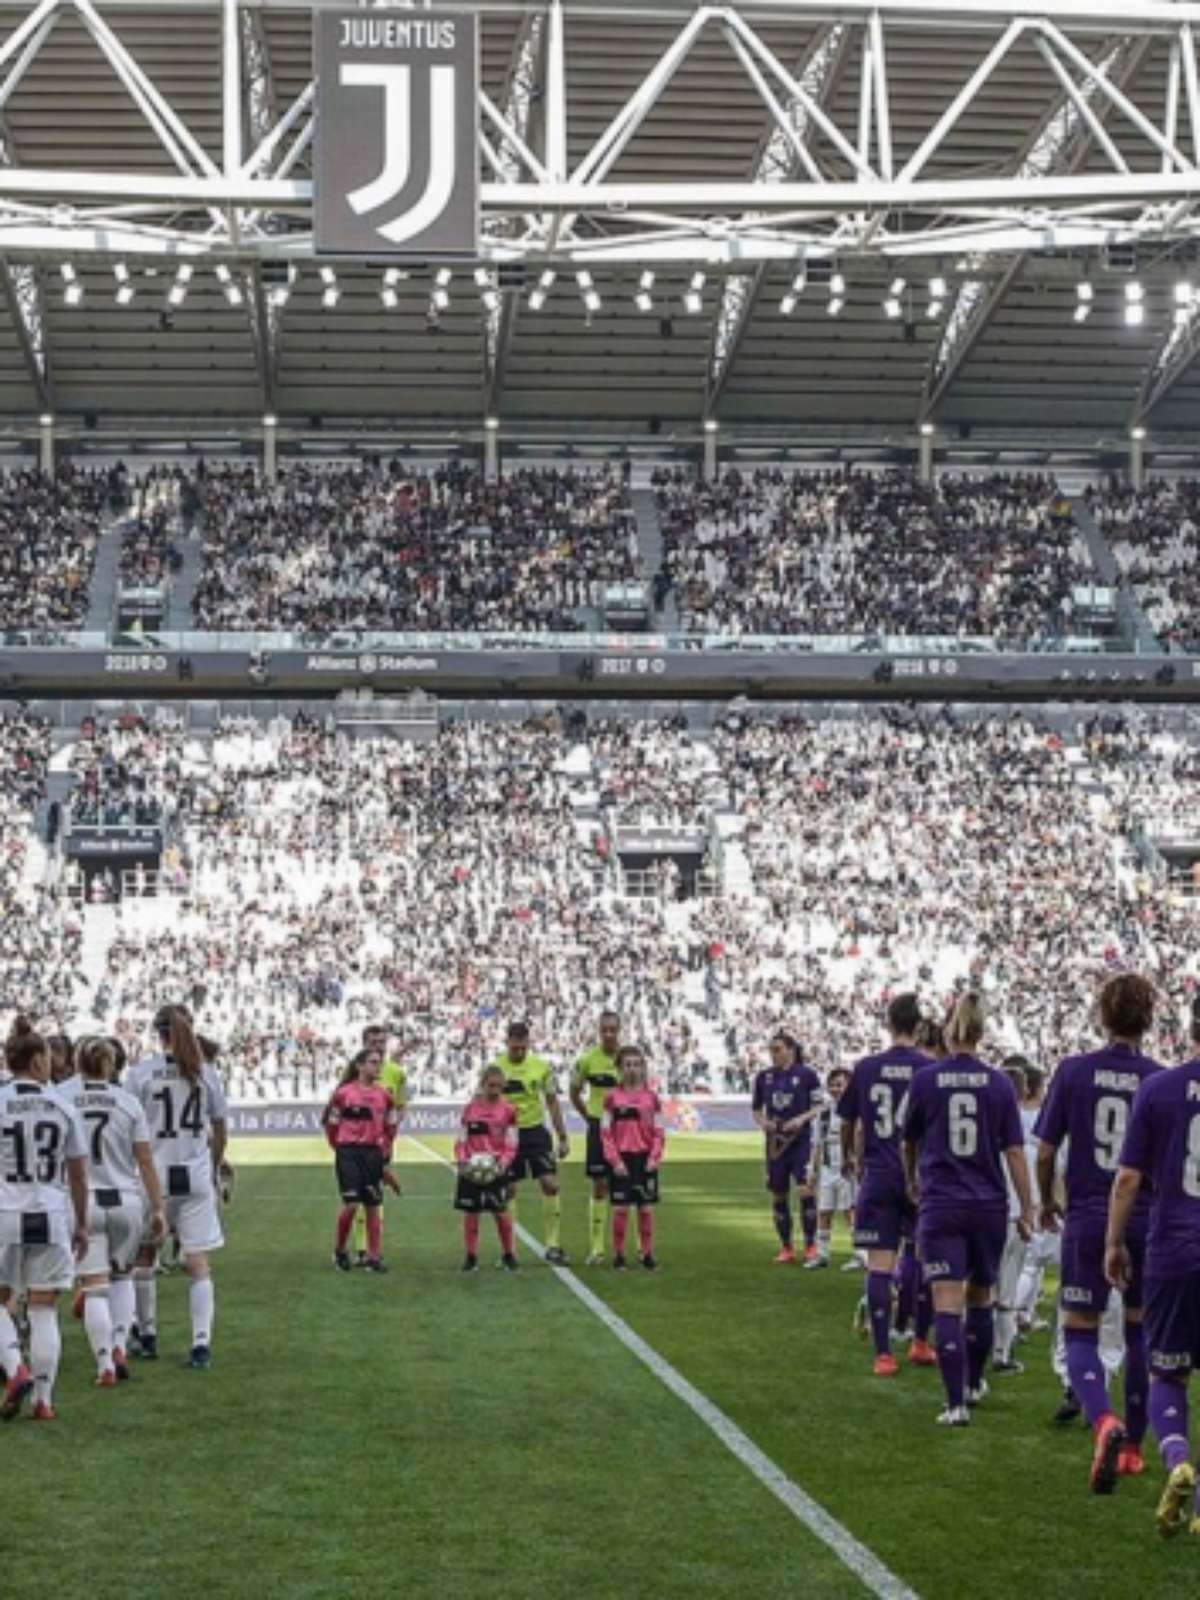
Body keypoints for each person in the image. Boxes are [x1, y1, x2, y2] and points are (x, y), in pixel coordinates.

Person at [1035, 973, 1161, 1491]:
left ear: (1101, 1016)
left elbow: (1045, 1151)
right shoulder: (1160, 1078)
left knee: (1080, 1327)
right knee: (1138, 1333)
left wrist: (1047, 1201)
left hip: (1089, 1212)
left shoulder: (1074, 1071)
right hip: (1147, 1216)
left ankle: (1103, 1419)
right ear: (1149, 1019)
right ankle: (1132, 1449)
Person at [903, 995, 1034, 1427]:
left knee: (946, 1303)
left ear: (948, 1030)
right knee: (982, 1297)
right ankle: (975, 1383)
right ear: (981, 1032)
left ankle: (955, 1403)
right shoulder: (999, 1083)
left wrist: (912, 1179)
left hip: (942, 1202)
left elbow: (910, 1140)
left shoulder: (925, 1080)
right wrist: (1028, 1206)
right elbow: (1015, 1151)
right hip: (988, 1204)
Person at [1106, 994, 1200, 1538]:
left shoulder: (1159, 1087)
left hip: (1174, 1245)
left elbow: (1128, 1179)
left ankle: (1178, 1458)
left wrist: (1114, 1243)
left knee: (1169, 1369)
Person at [125, 1003, 229, 1369]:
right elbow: (219, 1128)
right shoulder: (205, 1072)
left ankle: (148, 1335)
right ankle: (201, 1345)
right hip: (195, 1172)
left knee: (144, 1256)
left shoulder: (140, 1073)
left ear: (158, 1033)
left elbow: (129, 1129)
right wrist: (215, 1167)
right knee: (198, 1263)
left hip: (155, 1174)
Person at [837, 993, 933, 1375]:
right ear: (920, 1026)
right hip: (921, 1176)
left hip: (878, 1173)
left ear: (889, 1024)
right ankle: (920, 1341)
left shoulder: (866, 1068)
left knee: (879, 1264)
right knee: (926, 1259)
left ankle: (883, 1354)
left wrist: (849, 1157)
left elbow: (847, 1120)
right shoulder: (928, 1070)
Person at [61, 1036, 165, 1386]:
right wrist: (158, 1208)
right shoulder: (128, 1103)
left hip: (82, 1201)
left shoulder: (62, 1098)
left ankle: (105, 1362)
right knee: (122, 1277)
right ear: (110, 1065)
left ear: (78, 1064)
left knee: (94, 1287)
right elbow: (146, 1161)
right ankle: (120, 1344)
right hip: (125, 1200)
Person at [0, 1018, 89, 1422]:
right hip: (50, 1212)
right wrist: (82, 1223)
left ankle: (14, 1367)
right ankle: (44, 1401)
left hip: (6, 1211)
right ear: (37, 1061)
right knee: (43, 1308)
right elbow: (77, 1172)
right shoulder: (63, 1105)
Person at [495, 1022, 570, 1266]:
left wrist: (562, 1136)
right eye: (514, 1048)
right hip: (507, 1135)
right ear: (507, 1043)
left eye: (523, 1048)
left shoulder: (541, 1067)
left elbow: (551, 1102)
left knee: (550, 1184)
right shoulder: (495, 1068)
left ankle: (553, 1245)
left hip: (536, 1132)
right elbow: (484, 1102)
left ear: (528, 1044)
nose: (518, 1052)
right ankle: (510, 1251)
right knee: (509, 1190)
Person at [325, 1045, 401, 1274]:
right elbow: (331, 1124)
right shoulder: (343, 1093)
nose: (378, 1066)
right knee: (351, 1204)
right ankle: (339, 1250)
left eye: (379, 1062)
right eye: (373, 1062)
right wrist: (338, 1146)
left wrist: (385, 1151)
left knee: (373, 1205)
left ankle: (374, 1256)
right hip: (348, 1152)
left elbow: (391, 1126)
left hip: (372, 1153)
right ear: (359, 1066)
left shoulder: (385, 1095)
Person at [751, 1032, 823, 1265]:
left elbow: (819, 1105)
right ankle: (786, 1247)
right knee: (778, 1193)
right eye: (771, 1050)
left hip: (800, 1140)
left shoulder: (807, 1075)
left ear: (791, 1050)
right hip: (775, 1143)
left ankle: (811, 1245)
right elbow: (756, 1110)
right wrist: (764, 1123)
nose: (774, 1054)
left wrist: (801, 1119)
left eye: (778, 1049)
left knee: (805, 1189)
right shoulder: (764, 1077)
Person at [600, 1044, 665, 1271]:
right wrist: (614, 1160)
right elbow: (605, 1133)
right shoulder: (611, 1098)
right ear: (620, 1068)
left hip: (645, 1159)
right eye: (627, 1064)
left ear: (643, 1067)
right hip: (622, 1160)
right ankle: (618, 1255)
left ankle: (647, 1254)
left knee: (645, 1209)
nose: (632, 1069)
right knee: (621, 1209)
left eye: (637, 1064)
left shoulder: (652, 1098)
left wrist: (654, 1158)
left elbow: (659, 1131)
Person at [454, 1064, 519, 1273]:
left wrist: (503, 1164)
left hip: (496, 1169)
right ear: (483, 1085)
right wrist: (462, 1161)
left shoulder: (509, 1110)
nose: (495, 1090)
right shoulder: (470, 1109)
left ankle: (509, 1254)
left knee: (500, 1212)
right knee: (471, 1213)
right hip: (471, 1169)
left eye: (499, 1086)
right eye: (491, 1085)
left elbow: (512, 1142)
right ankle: (471, 1257)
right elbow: (461, 1139)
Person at [351, 1025, 407, 1268]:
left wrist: (389, 1135)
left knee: (375, 1195)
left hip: (381, 1144)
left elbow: (401, 1106)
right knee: (356, 1196)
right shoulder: (355, 1070)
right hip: (356, 1144)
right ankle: (362, 1249)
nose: (378, 1046)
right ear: (364, 1043)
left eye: (382, 1042)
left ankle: (373, 1249)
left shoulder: (396, 1072)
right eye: (373, 1042)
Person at [570, 1010, 622, 1266]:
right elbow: (574, 1091)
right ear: (599, 1031)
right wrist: (590, 1117)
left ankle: (622, 1249)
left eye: (613, 1030)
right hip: (598, 1128)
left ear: (619, 1030)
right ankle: (598, 1248)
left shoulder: (630, 1060)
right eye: (605, 1030)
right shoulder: (587, 1060)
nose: (609, 1034)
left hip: (625, 1129)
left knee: (624, 1187)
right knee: (600, 1185)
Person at [807, 1067, 855, 1270]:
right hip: (828, 1166)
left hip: (848, 1166)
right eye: (832, 1085)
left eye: (840, 1085)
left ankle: (860, 1254)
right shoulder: (824, 1113)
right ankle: (822, 1254)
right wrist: (812, 1169)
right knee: (824, 1210)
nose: (836, 1089)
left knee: (850, 1211)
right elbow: (817, 1143)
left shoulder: (856, 1110)